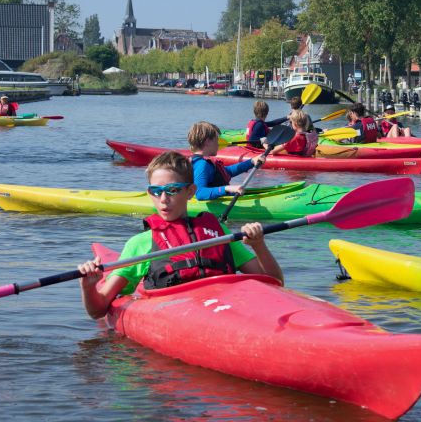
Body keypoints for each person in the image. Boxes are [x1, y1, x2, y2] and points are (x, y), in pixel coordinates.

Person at [78, 151, 283, 319]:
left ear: (190, 191)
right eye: (156, 191)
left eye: (172, 190)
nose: (163, 199)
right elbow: (98, 310)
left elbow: (274, 282)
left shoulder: (219, 233)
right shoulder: (141, 244)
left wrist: (258, 244)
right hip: (175, 315)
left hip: (225, 309)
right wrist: (88, 287)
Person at [189, 121, 266, 201]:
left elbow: (227, 171)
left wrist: (252, 161)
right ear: (207, 142)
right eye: (216, 140)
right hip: (219, 203)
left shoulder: (203, 162)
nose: (218, 144)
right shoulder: (201, 164)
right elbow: (200, 193)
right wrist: (226, 188)